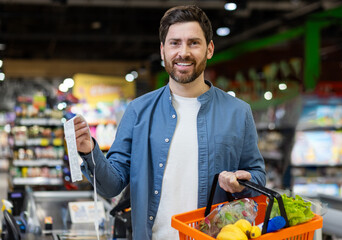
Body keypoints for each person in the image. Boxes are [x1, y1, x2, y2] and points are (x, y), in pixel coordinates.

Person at [73, 5, 265, 240]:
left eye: (194, 43)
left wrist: (242, 183)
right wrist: (89, 151)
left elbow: (257, 176)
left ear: (210, 49)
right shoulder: (138, 111)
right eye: (175, 43)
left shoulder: (238, 112)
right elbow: (111, 186)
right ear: (163, 51)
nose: (183, 52)